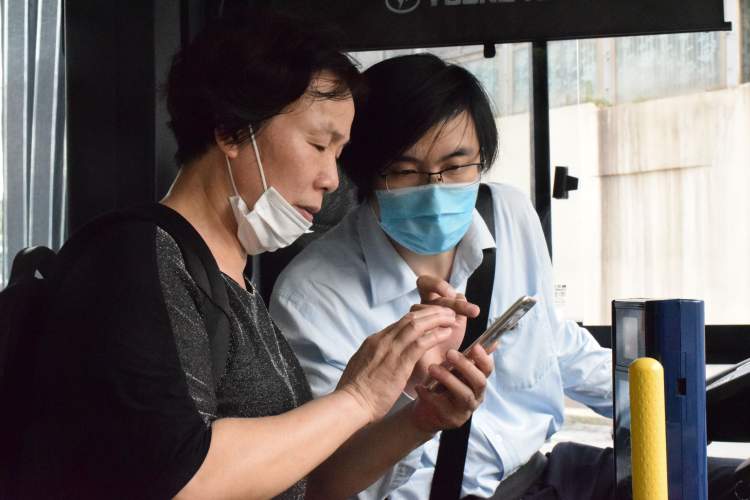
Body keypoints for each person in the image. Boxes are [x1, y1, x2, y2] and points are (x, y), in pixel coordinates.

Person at [18, 15, 494, 500]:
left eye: (338, 153)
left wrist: (418, 417)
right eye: (318, 144)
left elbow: (308, 484)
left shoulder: (233, 282)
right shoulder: (135, 259)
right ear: (231, 131)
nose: (331, 179)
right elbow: (183, 480)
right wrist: (357, 397)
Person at [270, 53, 746, 500]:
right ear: (364, 172)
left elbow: (555, 342)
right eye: (404, 172)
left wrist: (675, 410)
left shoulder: (508, 214)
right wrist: (414, 408)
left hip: (542, 474)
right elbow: (326, 479)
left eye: (456, 166)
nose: (435, 189)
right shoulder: (312, 294)